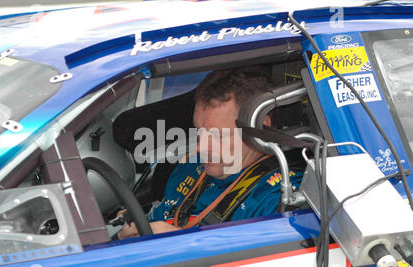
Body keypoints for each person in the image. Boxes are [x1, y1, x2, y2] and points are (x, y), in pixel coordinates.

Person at [118, 66, 304, 238]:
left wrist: (182, 243)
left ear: (259, 128)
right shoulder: (191, 166)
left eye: (217, 136)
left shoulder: (280, 198)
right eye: (199, 132)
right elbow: (159, 216)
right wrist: (132, 228)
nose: (200, 147)